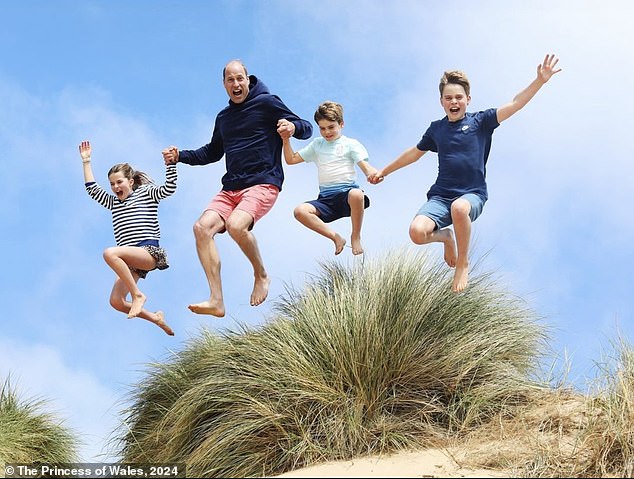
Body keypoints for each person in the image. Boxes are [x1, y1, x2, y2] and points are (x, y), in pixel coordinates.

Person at [369, 54, 561, 293]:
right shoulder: (436, 129)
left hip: (472, 194)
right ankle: (447, 238)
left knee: (459, 208)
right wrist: (384, 171)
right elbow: (414, 153)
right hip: (440, 197)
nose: (454, 101)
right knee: (417, 233)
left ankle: (463, 262)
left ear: (468, 99)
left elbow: (516, 103)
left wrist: (539, 82)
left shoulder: (482, 121)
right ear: (441, 101)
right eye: (448, 98)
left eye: (459, 97)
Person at [162, 59, 312, 317]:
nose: (236, 84)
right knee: (201, 228)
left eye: (239, 78)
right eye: (230, 80)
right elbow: (211, 152)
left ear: (248, 79)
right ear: (224, 85)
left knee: (235, 225)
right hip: (231, 188)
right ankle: (216, 300)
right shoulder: (224, 118)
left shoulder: (267, 103)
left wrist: (292, 126)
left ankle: (261, 274)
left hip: (263, 182)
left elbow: (306, 129)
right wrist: (180, 156)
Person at [80, 140, 177, 336]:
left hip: (148, 252)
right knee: (116, 301)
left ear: (130, 182)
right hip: (131, 261)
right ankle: (155, 318)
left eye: (119, 182)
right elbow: (92, 189)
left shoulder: (146, 193)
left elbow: (169, 189)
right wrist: (86, 162)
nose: (115, 187)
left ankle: (137, 295)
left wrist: (171, 165)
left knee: (110, 253)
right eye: (112, 184)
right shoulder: (113, 202)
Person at [280, 100, 377, 255]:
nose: (327, 132)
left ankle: (355, 236)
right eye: (322, 128)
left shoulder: (350, 144)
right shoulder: (317, 144)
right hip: (326, 200)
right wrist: (285, 139)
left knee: (357, 194)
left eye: (331, 127)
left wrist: (371, 174)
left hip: (347, 197)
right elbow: (291, 159)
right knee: (300, 211)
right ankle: (336, 237)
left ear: (341, 124)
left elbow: (365, 166)